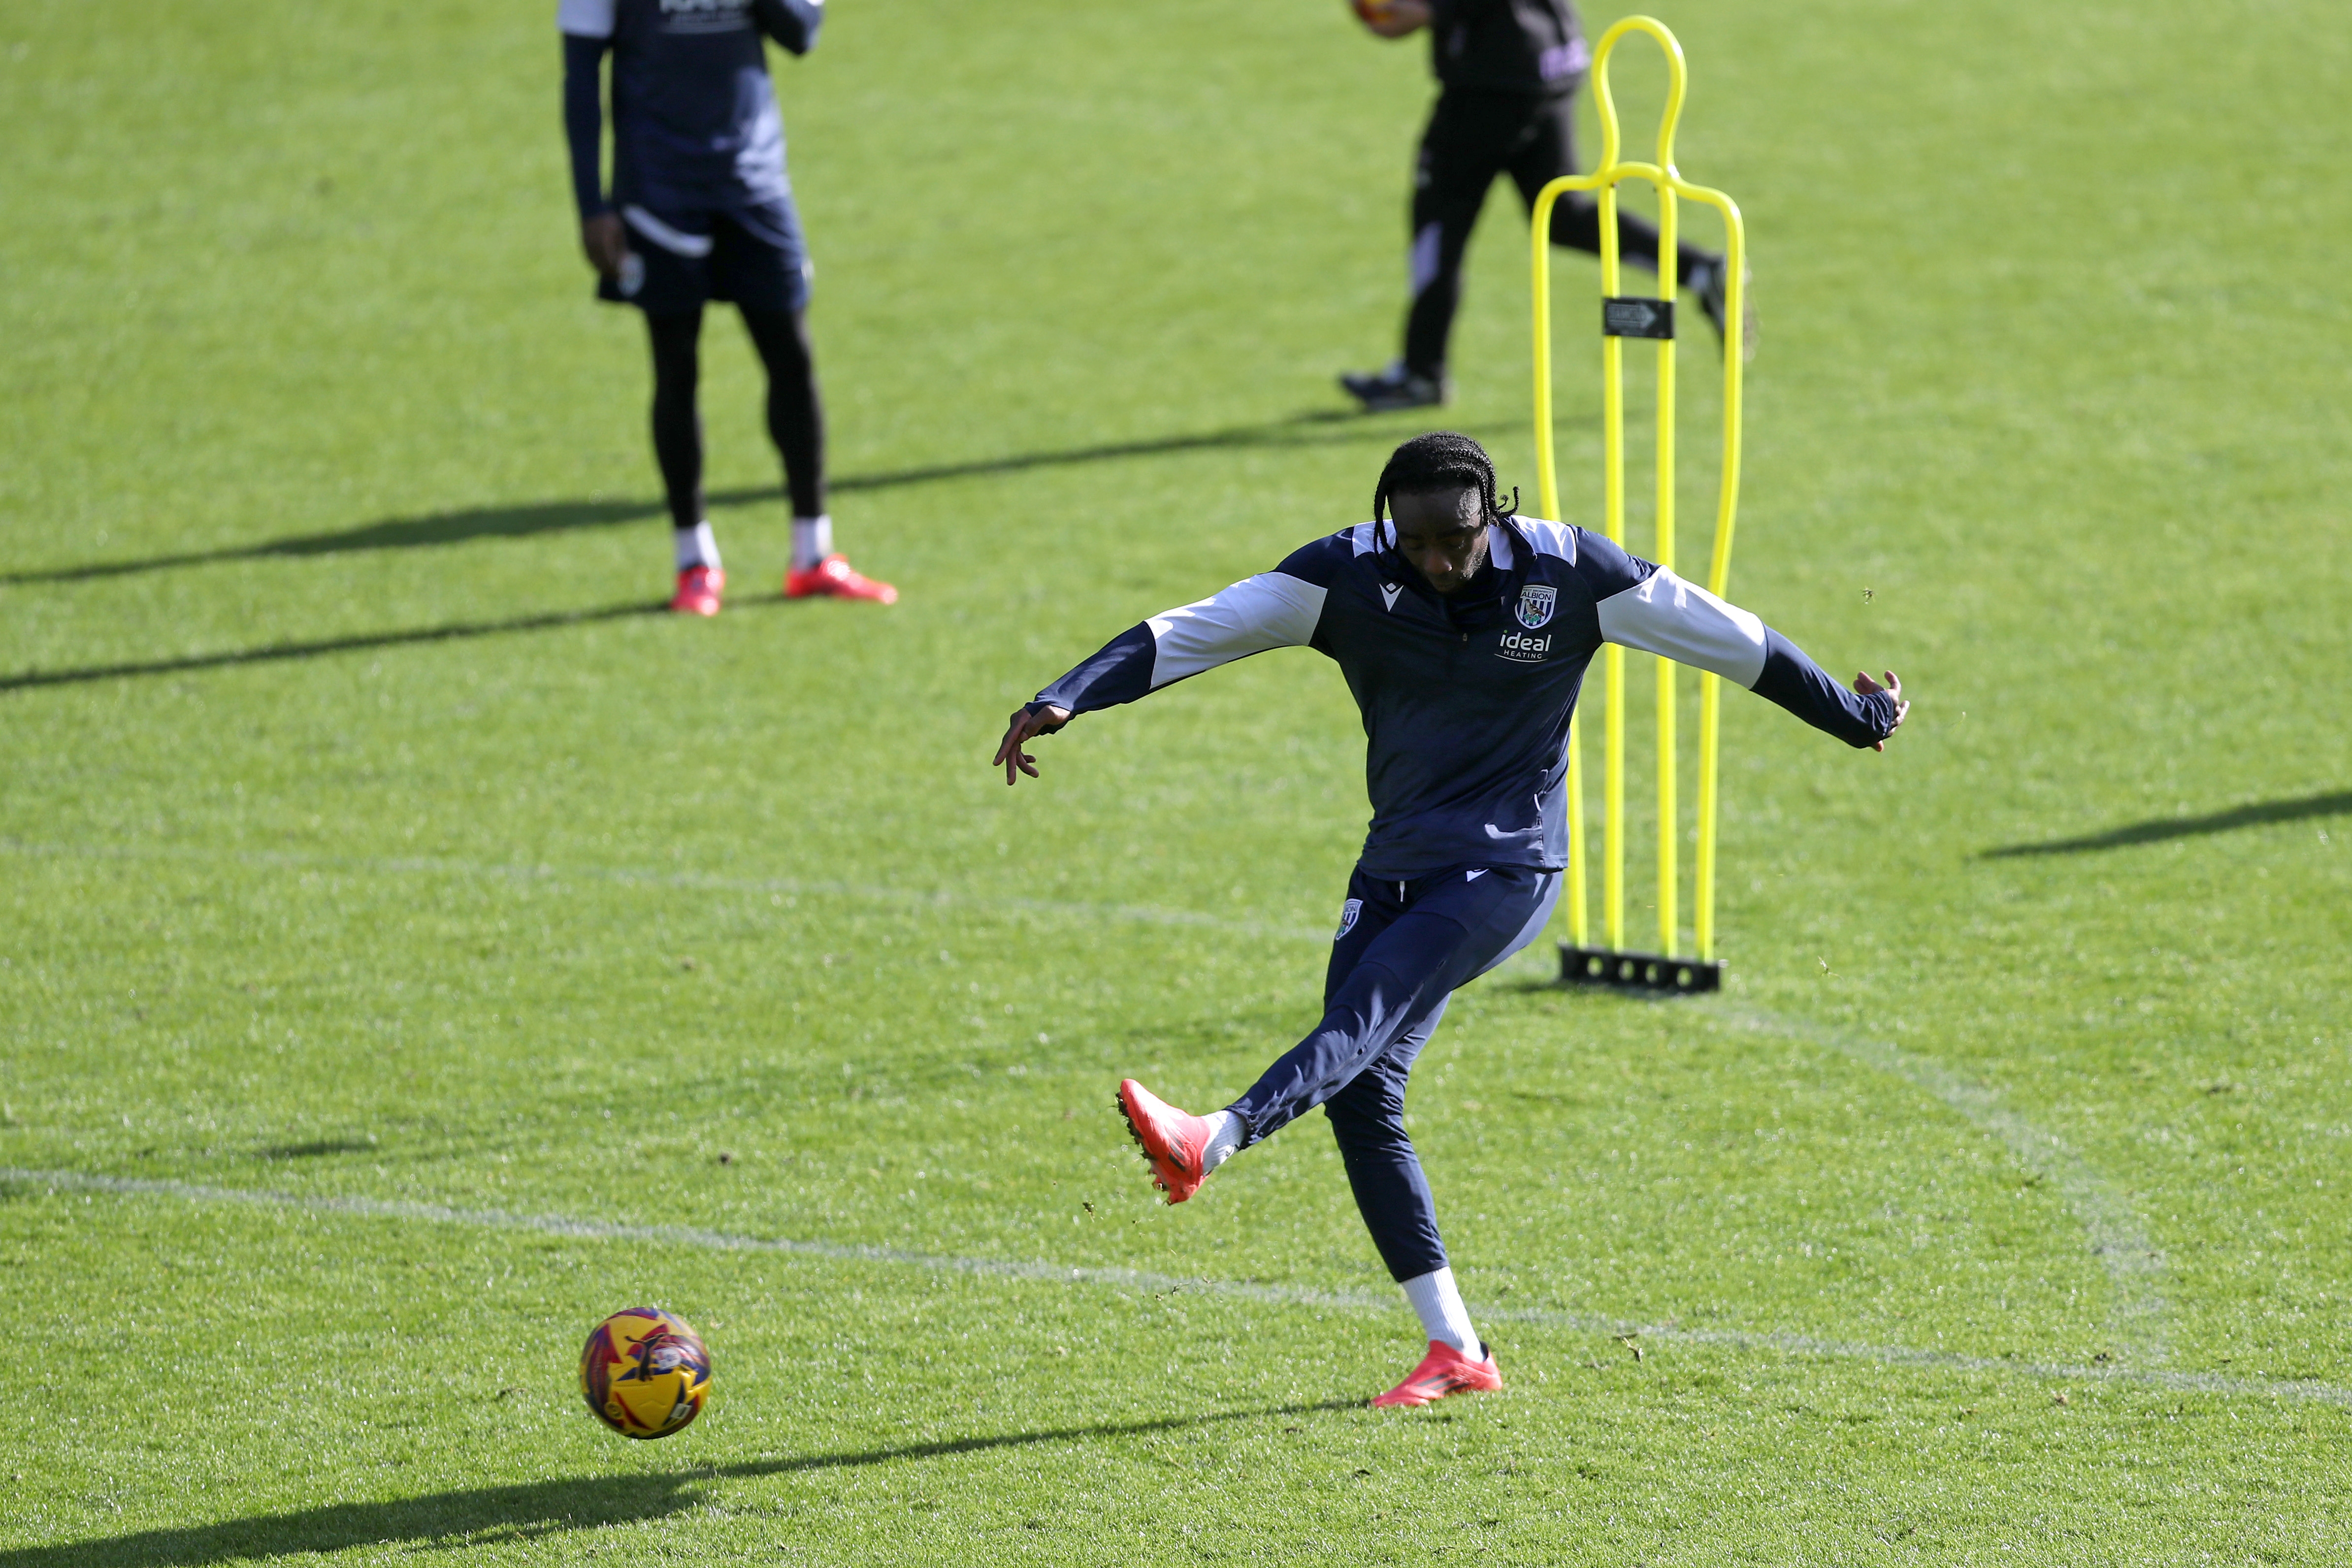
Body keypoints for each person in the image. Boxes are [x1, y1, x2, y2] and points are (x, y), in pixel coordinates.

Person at [992, 432, 1904, 1406]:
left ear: (1493, 514)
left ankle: (1209, 1138)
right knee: (1360, 1093)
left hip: (1508, 867)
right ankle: (1457, 1350)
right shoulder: (1344, 573)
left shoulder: (1575, 572)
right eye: (1415, 541)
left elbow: (1734, 640)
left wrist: (1858, 719)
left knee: (1357, 1025)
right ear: (1390, 521)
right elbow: (1194, 630)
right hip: (1393, 861)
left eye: (1455, 542)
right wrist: (1064, 696)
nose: (1435, 561)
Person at [559, 0, 896, 616]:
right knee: (676, 365)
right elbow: (580, 75)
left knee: (791, 358)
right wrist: (591, 205)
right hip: (658, 191)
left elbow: (803, 33)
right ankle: (695, 562)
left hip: (754, 184)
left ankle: (813, 555)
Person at [1338, 0, 1747, 413]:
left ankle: (1421, 374)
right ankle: (1700, 270)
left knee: (1440, 220)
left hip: (1492, 79)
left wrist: (1432, 11)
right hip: (1551, 58)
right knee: (1563, 215)